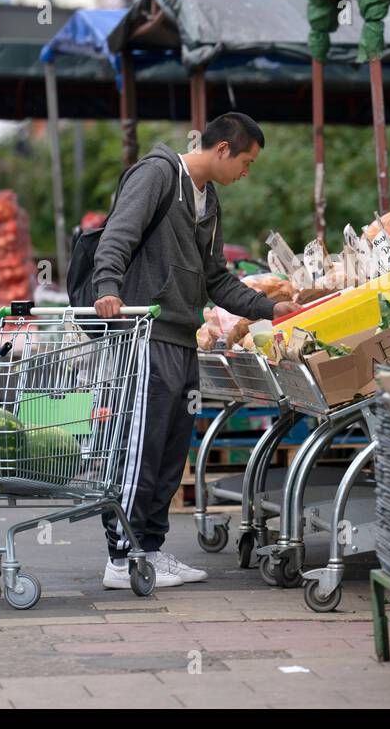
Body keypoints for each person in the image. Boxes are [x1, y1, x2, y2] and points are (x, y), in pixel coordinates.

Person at [92, 113, 298, 588]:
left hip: (181, 337)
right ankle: (121, 558)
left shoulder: (210, 201)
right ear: (222, 149)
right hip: (144, 333)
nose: (246, 172)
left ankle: (150, 548)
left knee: (168, 450)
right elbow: (117, 234)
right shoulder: (158, 174)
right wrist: (107, 286)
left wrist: (269, 308)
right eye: (245, 162)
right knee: (140, 447)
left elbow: (216, 279)